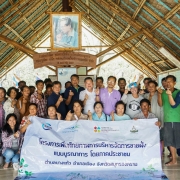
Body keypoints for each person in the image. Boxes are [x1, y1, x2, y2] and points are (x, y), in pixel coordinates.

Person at [157, 75, 180, 166]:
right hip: (167, 119)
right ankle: (174, 160)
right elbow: (160, 104)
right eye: (166, 82)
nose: (168, 83)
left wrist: (169, 94)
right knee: (170, 140)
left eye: (170, 81)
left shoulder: (178, 92)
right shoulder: (163, 92)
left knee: (177, 140)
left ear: (174, 83)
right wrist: (159, 94)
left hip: (177, 120)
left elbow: (173, 105)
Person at [144, 80, 164, 145]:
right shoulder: (145, 96)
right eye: (149, 86)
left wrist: (159, 94)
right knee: (150, 136)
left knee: (160, 136)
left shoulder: (159, 94)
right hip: (148, 119)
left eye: (153, 86)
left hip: (158, 117)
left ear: (156, 87)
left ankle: (161, 152)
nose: (151, 87)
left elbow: (160, 104)